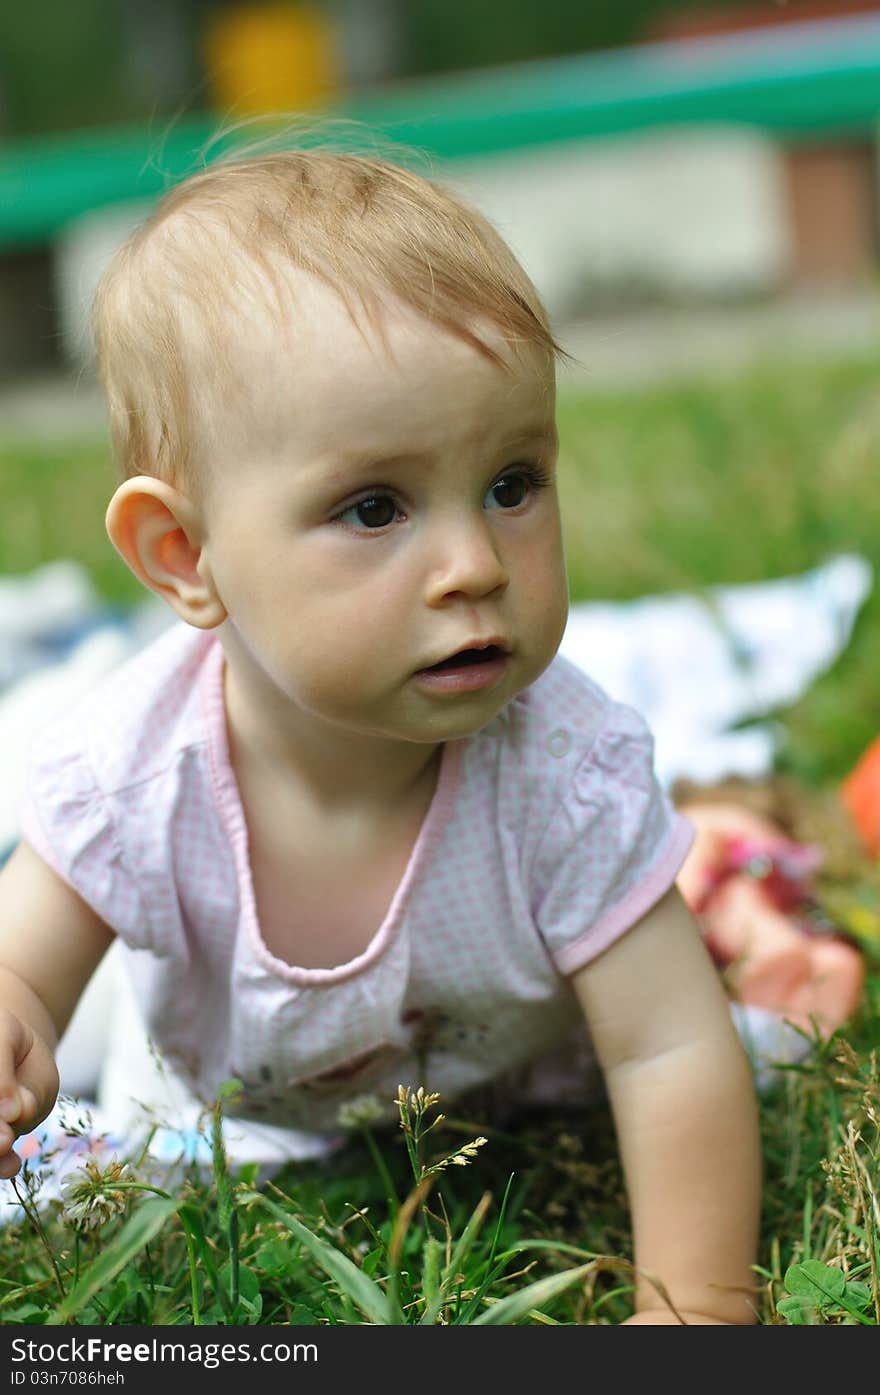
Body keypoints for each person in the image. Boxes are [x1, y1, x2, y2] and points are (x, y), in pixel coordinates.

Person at [0, 149, 761, 1324]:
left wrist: (694, 1315)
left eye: (513, 482)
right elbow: (18, 975)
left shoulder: (562, 772)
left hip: (519, 1100)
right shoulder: (132, 775)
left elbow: (669, 1053)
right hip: (234, 1122)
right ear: (184, 558)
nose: (474, 567)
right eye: (373, 508)